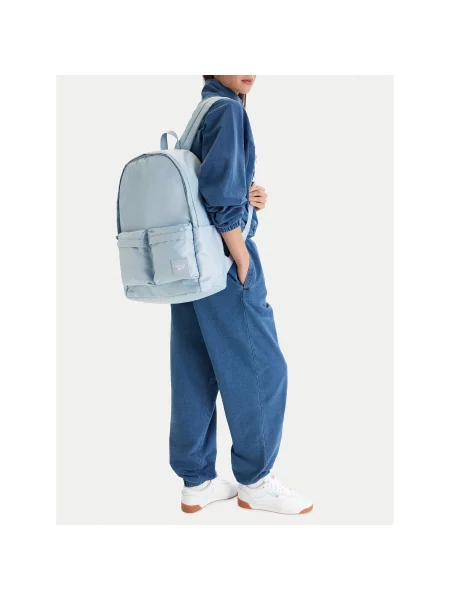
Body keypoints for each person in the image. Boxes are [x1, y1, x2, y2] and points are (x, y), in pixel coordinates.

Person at [170, 75, 313, 515]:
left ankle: (197, 482)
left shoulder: (202, 111)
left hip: (189, 265)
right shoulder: (229, 110)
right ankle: (256, 481)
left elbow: (204, 185)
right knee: (262, 368)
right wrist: (241, 256)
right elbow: (218, 197)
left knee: (195, 368)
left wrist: (247, 198)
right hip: (223, 262)